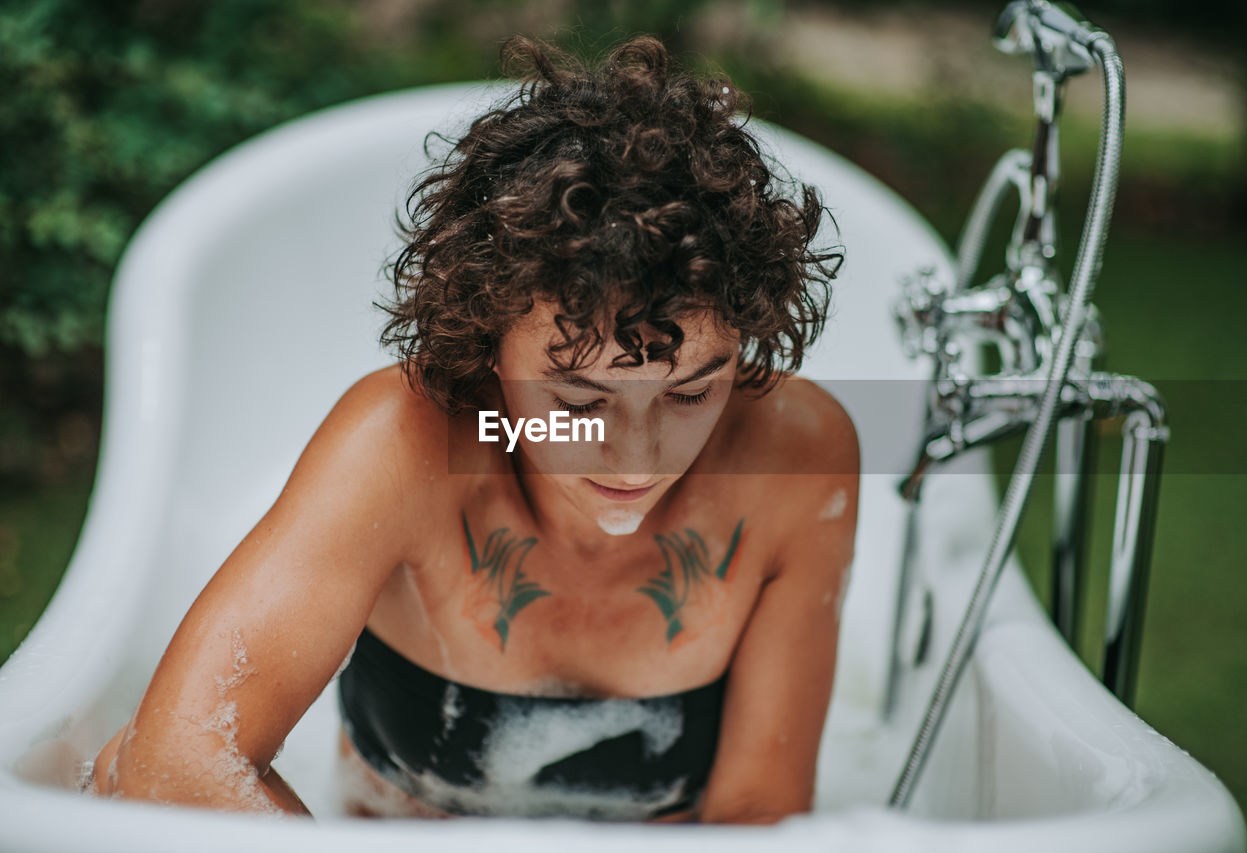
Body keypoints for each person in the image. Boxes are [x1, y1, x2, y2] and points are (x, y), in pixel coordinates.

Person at [90, 34, 860, 824]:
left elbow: (759, 816)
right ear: (487, 340)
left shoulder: (797, 451)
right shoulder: (403, 441)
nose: (637, 454)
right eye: (579, 401)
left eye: (693, 393)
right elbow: (172, 762)